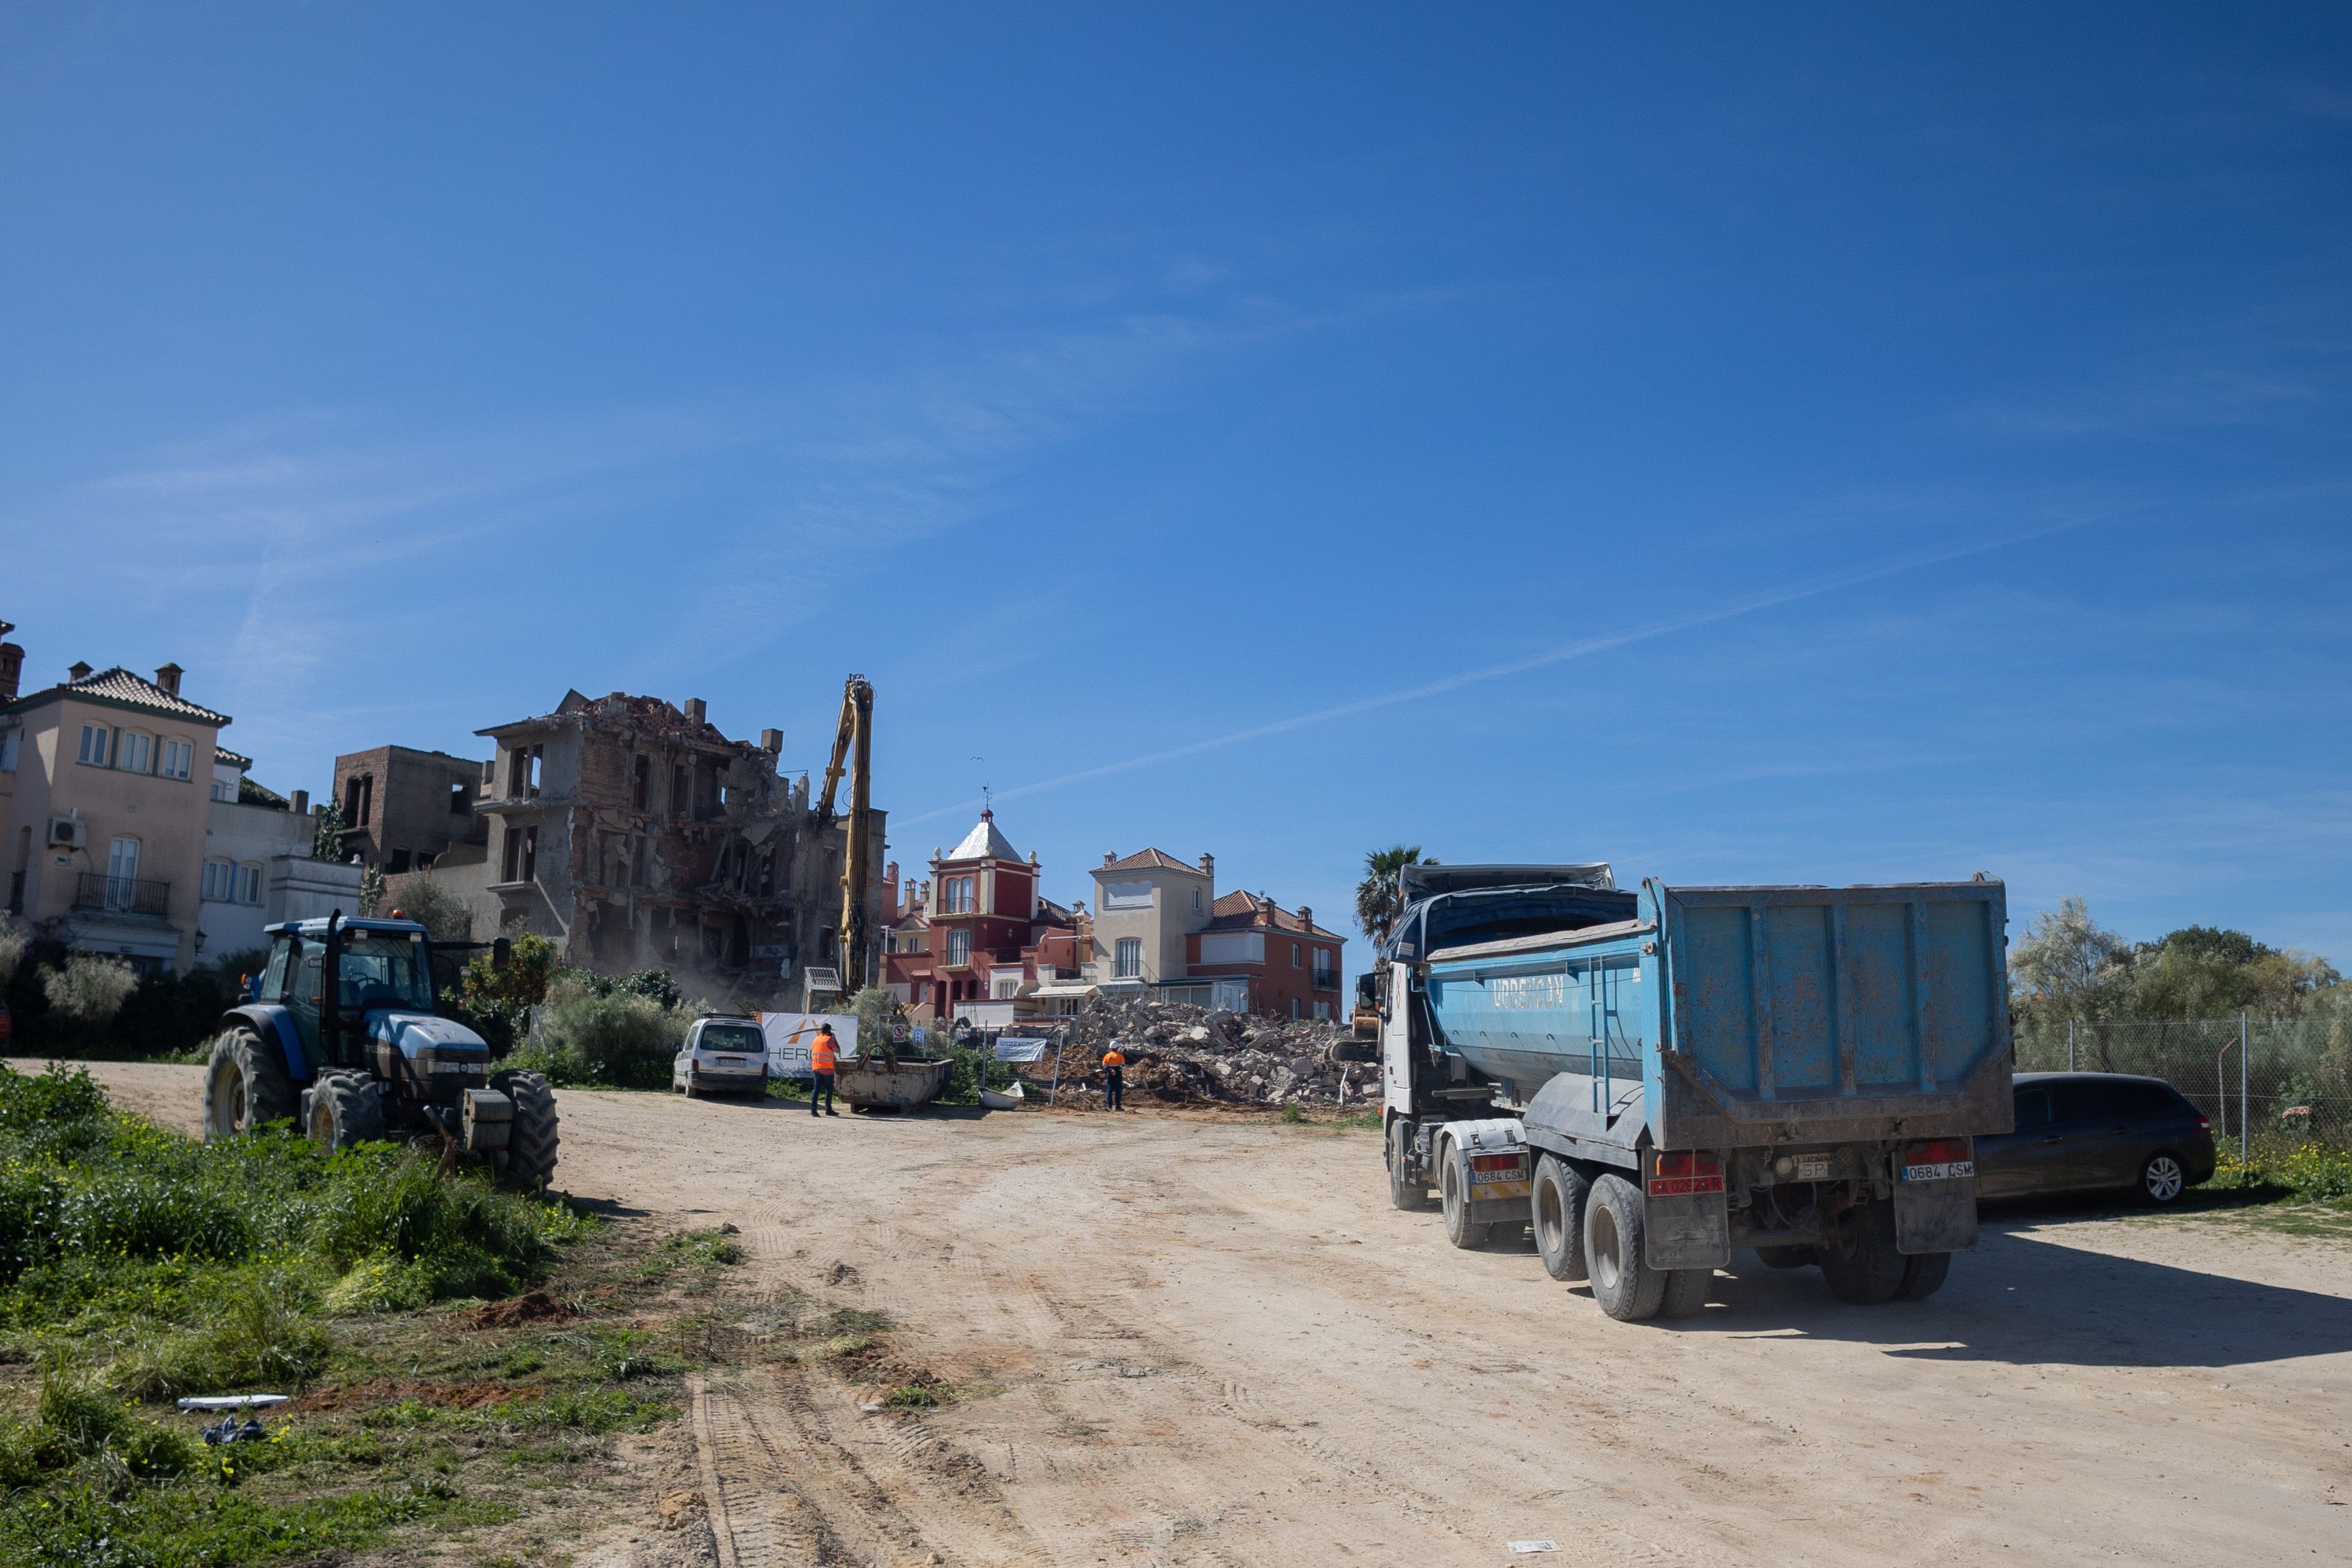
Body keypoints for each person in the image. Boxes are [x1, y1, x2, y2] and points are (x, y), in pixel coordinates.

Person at [809, 1022, 840, 1117]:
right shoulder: (829, 1039)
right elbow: (838, 1050)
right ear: (829, 1031)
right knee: (829, 1089)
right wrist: (834, 1039)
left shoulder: (816, 1039)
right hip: (827, 1069)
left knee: (816, 1089)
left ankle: (814, 1111)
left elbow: (815, 1053)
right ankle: (828, 1110)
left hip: (816, 1068)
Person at [1101, 1043, 1126, 1112]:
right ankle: (1118, 1107)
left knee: (1109, 1091)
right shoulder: (1120, 1056)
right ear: (1117, 1048)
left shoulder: (1107, 1056)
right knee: (1118, 1091)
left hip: (1109, 1075)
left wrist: (1111, 1070)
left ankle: (1109, 1107)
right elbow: (1122, 1065)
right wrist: (1116, 1070)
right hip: (1118, 1076)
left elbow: (1104, 1065)